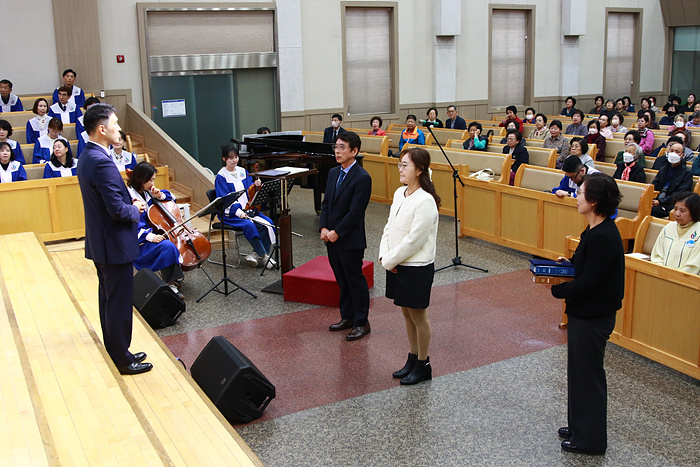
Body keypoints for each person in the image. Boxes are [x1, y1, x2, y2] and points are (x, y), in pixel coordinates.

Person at [76, 103, 152, 375]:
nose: (119, 128)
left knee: (108, 300)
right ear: (101, 129)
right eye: (115, 124)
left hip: (102, 243)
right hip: (114, 244)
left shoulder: (86, 156)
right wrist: (136, 208)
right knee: (118, 303)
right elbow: (117, 210)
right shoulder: (101, 162)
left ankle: (117, 350)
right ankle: (123, 359)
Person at [551, 172, 624, 455]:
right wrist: (566, 266)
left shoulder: (604, 236)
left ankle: (590, 440)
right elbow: (586, 267)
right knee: (578, 373)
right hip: (584, 313)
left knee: (588, 376)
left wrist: (559, 290)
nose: (576, 196)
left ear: (594, 201)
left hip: (593, 315)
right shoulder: (593, 230)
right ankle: (578, 426)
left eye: (581, 192)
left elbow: (591, 282)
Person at [380, 147, 440, 385]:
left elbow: (415, 240)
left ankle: (423, 364)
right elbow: (389, 226)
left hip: (415, 266)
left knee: (418, 316)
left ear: (420, 169)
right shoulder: (400, 193)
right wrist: (384, 255)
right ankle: (412, 358)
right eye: (400, 164)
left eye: (405, 165)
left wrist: (390, 260)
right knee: (406, 313)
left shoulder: (425, 200)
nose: (400, 169)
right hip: (396, 263)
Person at [320, 131, 372, 341]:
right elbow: (326, 203)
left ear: (354, 151)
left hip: (350, 239)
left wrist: (338, 232)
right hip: (331, 237)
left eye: (342, 147)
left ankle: (362, 322)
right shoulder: (333, 172)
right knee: (342, 280)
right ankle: (348, 317)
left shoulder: (362, 177)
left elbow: (355, 212)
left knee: (354, 280)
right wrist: (323, 228)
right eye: (336, 147)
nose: (337, 151)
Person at [127, 162, 185, 296]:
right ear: (141, 179)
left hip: (152, 233)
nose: (152, 183)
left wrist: (159, 195)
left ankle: (172, 278)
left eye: (153, 179)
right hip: (139, 241)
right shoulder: (130, 197)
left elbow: (172, 198)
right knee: (168, 246)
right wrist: (150, 236)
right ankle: (171, 283)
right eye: (150, 180)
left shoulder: (148, 193)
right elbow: (130, 224)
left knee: (171, 244)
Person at [215, 144, 276, 268]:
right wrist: (239, 212)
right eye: (231, 158)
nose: (234, 160)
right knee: (249, 225)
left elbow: (250, 190)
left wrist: (256, 186)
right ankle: (264, 256)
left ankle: (255, 254)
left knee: (268, 223)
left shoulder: (242, 171)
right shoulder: (221, 176)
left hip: (248, 209)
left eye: (236, 157)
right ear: (224, 159)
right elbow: (225, 199)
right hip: (231, 213)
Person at [650, 192, 700, 275]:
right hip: (661, 277)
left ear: (693, 212)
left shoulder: (698, 233)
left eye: (682, 211)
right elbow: (657, 256)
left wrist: (674, 277)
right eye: (675, 209)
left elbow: (693, 266)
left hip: (686, 280)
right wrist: (662, 273)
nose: (677, 214)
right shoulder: (668, 228)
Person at [650, 142, 693, 218]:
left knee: (651, 210)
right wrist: (653, 199)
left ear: (682, 155)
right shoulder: (663, 169)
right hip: (657, 199)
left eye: (677, 152)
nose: (673, 153)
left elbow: (680, 194)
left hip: (671, 204)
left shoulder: (687, 174)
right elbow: (655, 185)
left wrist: (660, 201)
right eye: (672, 151)